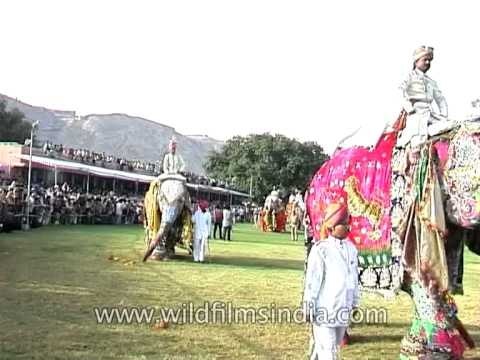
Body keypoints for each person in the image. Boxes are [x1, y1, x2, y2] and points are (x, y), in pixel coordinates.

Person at [303, 202, 359, 360]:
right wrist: (308, 306)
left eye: (348, 222)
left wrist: (354, 302)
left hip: (343, 310)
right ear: (331, 227)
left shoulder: (351, 249)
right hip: (324, 310)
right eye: (343, 223)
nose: (348, 226)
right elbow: (312, 282)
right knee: (329, 353)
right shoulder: (321, 250)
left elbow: (354, 278)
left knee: (330, 347)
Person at [397, 46, 449, 149]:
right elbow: (399, 92)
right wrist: (410, 109)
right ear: (416, 61)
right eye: (424, 60)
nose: (427, 63)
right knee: (417, 143)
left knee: (450, 126)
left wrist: (443, 115)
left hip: (431, 116)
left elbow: (441, 99)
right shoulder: (409, 77)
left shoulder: (431, 82)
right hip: (416, 116)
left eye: (429, 60)